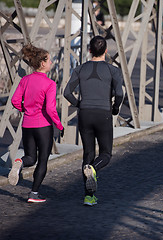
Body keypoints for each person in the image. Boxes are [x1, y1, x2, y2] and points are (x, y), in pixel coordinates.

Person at [64, 35, 123, 206]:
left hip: (85, 114)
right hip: (103, 113)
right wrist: (115, 108)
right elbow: (119, 94)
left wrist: (79, 104)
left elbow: (67, 92)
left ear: (90, 51)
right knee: (105, 154)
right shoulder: (113, 71)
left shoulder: (80, 69)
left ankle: (89, 197)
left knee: (88, 154)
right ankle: (94, 169)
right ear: (106, 51)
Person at [8, 44, 64, 203]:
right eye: (49, 60)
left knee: (30, 157)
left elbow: (15, 100)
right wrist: (59, 126)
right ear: (42, 63)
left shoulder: (25, 80)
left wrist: (25, 109)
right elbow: (50, 109)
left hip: (27, 124)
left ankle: (19, 162)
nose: (51, 62)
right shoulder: (50, 84)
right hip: (43, 126)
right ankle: (33, 194)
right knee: (43, 160)